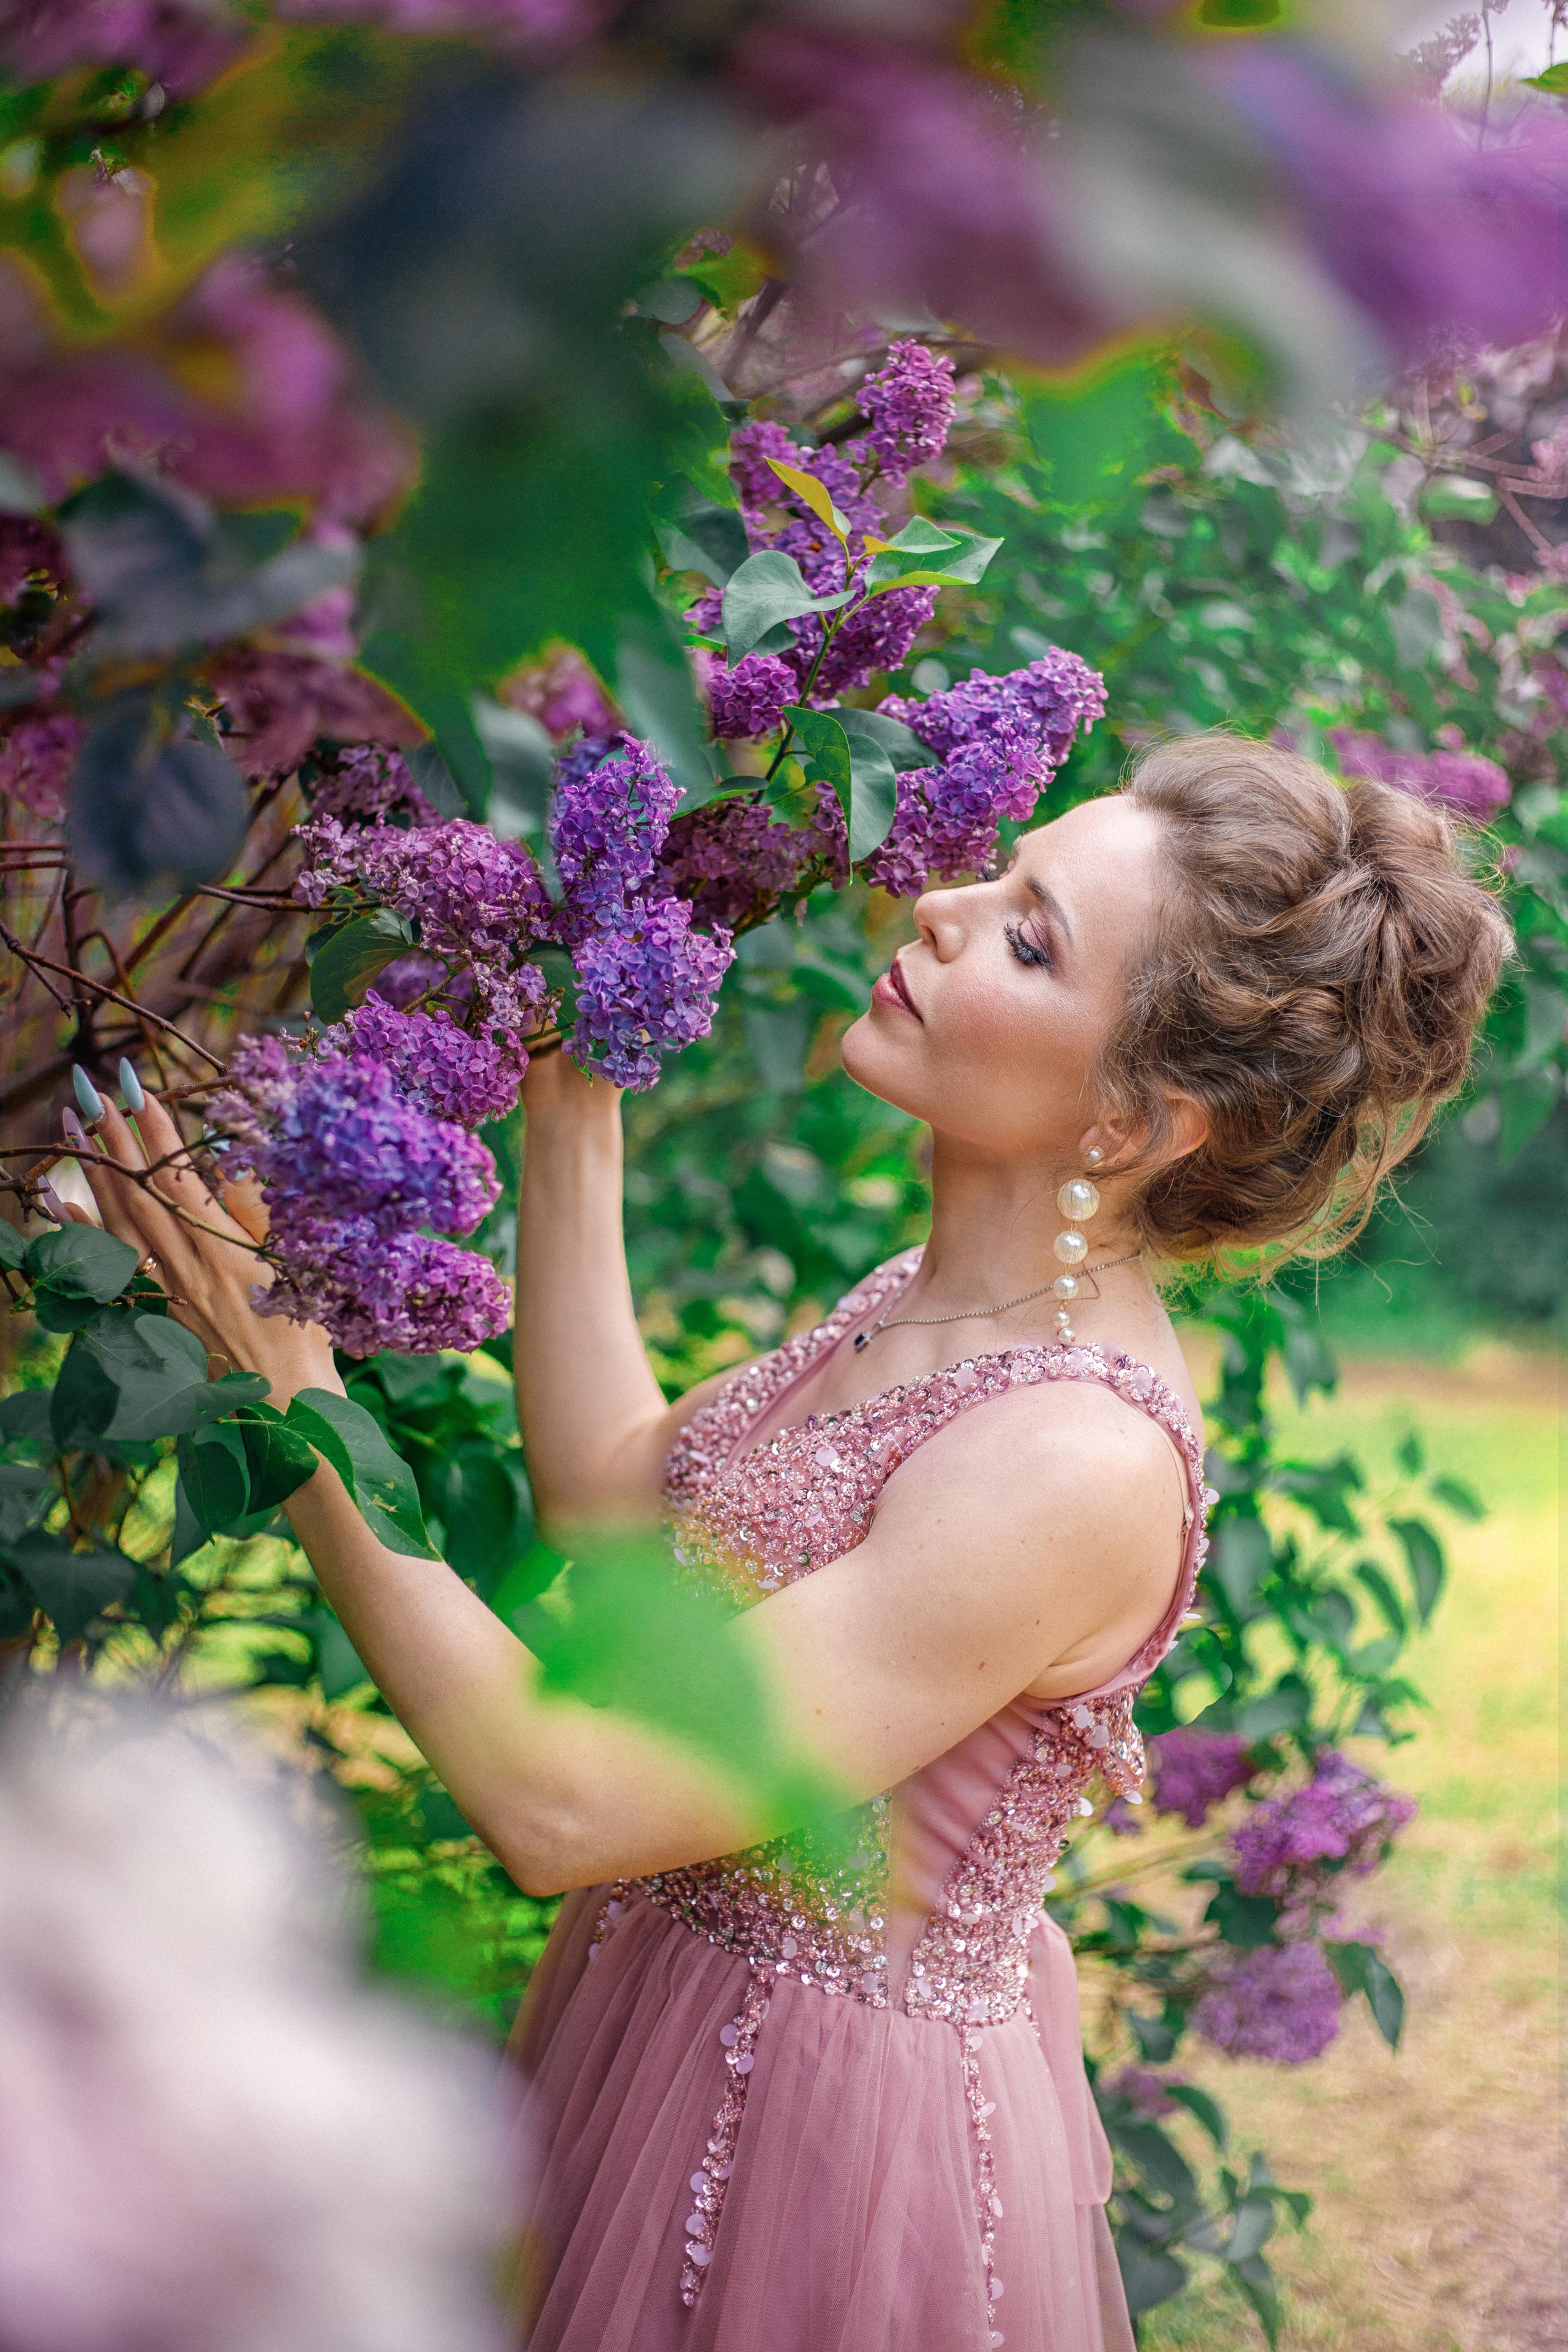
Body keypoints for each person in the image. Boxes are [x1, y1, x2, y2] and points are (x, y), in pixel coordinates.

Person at [70, 734, 1509, 2352]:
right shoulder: (939, 1295)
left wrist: (296, 1407)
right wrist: (574, 1101)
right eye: (999, 872)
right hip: (650, 2003)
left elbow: (563, 1793)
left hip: (807, 2142)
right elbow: (623, 1506)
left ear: (1131, 1122)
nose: (943, 903)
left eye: (1030, 939)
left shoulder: (1073, 1461)